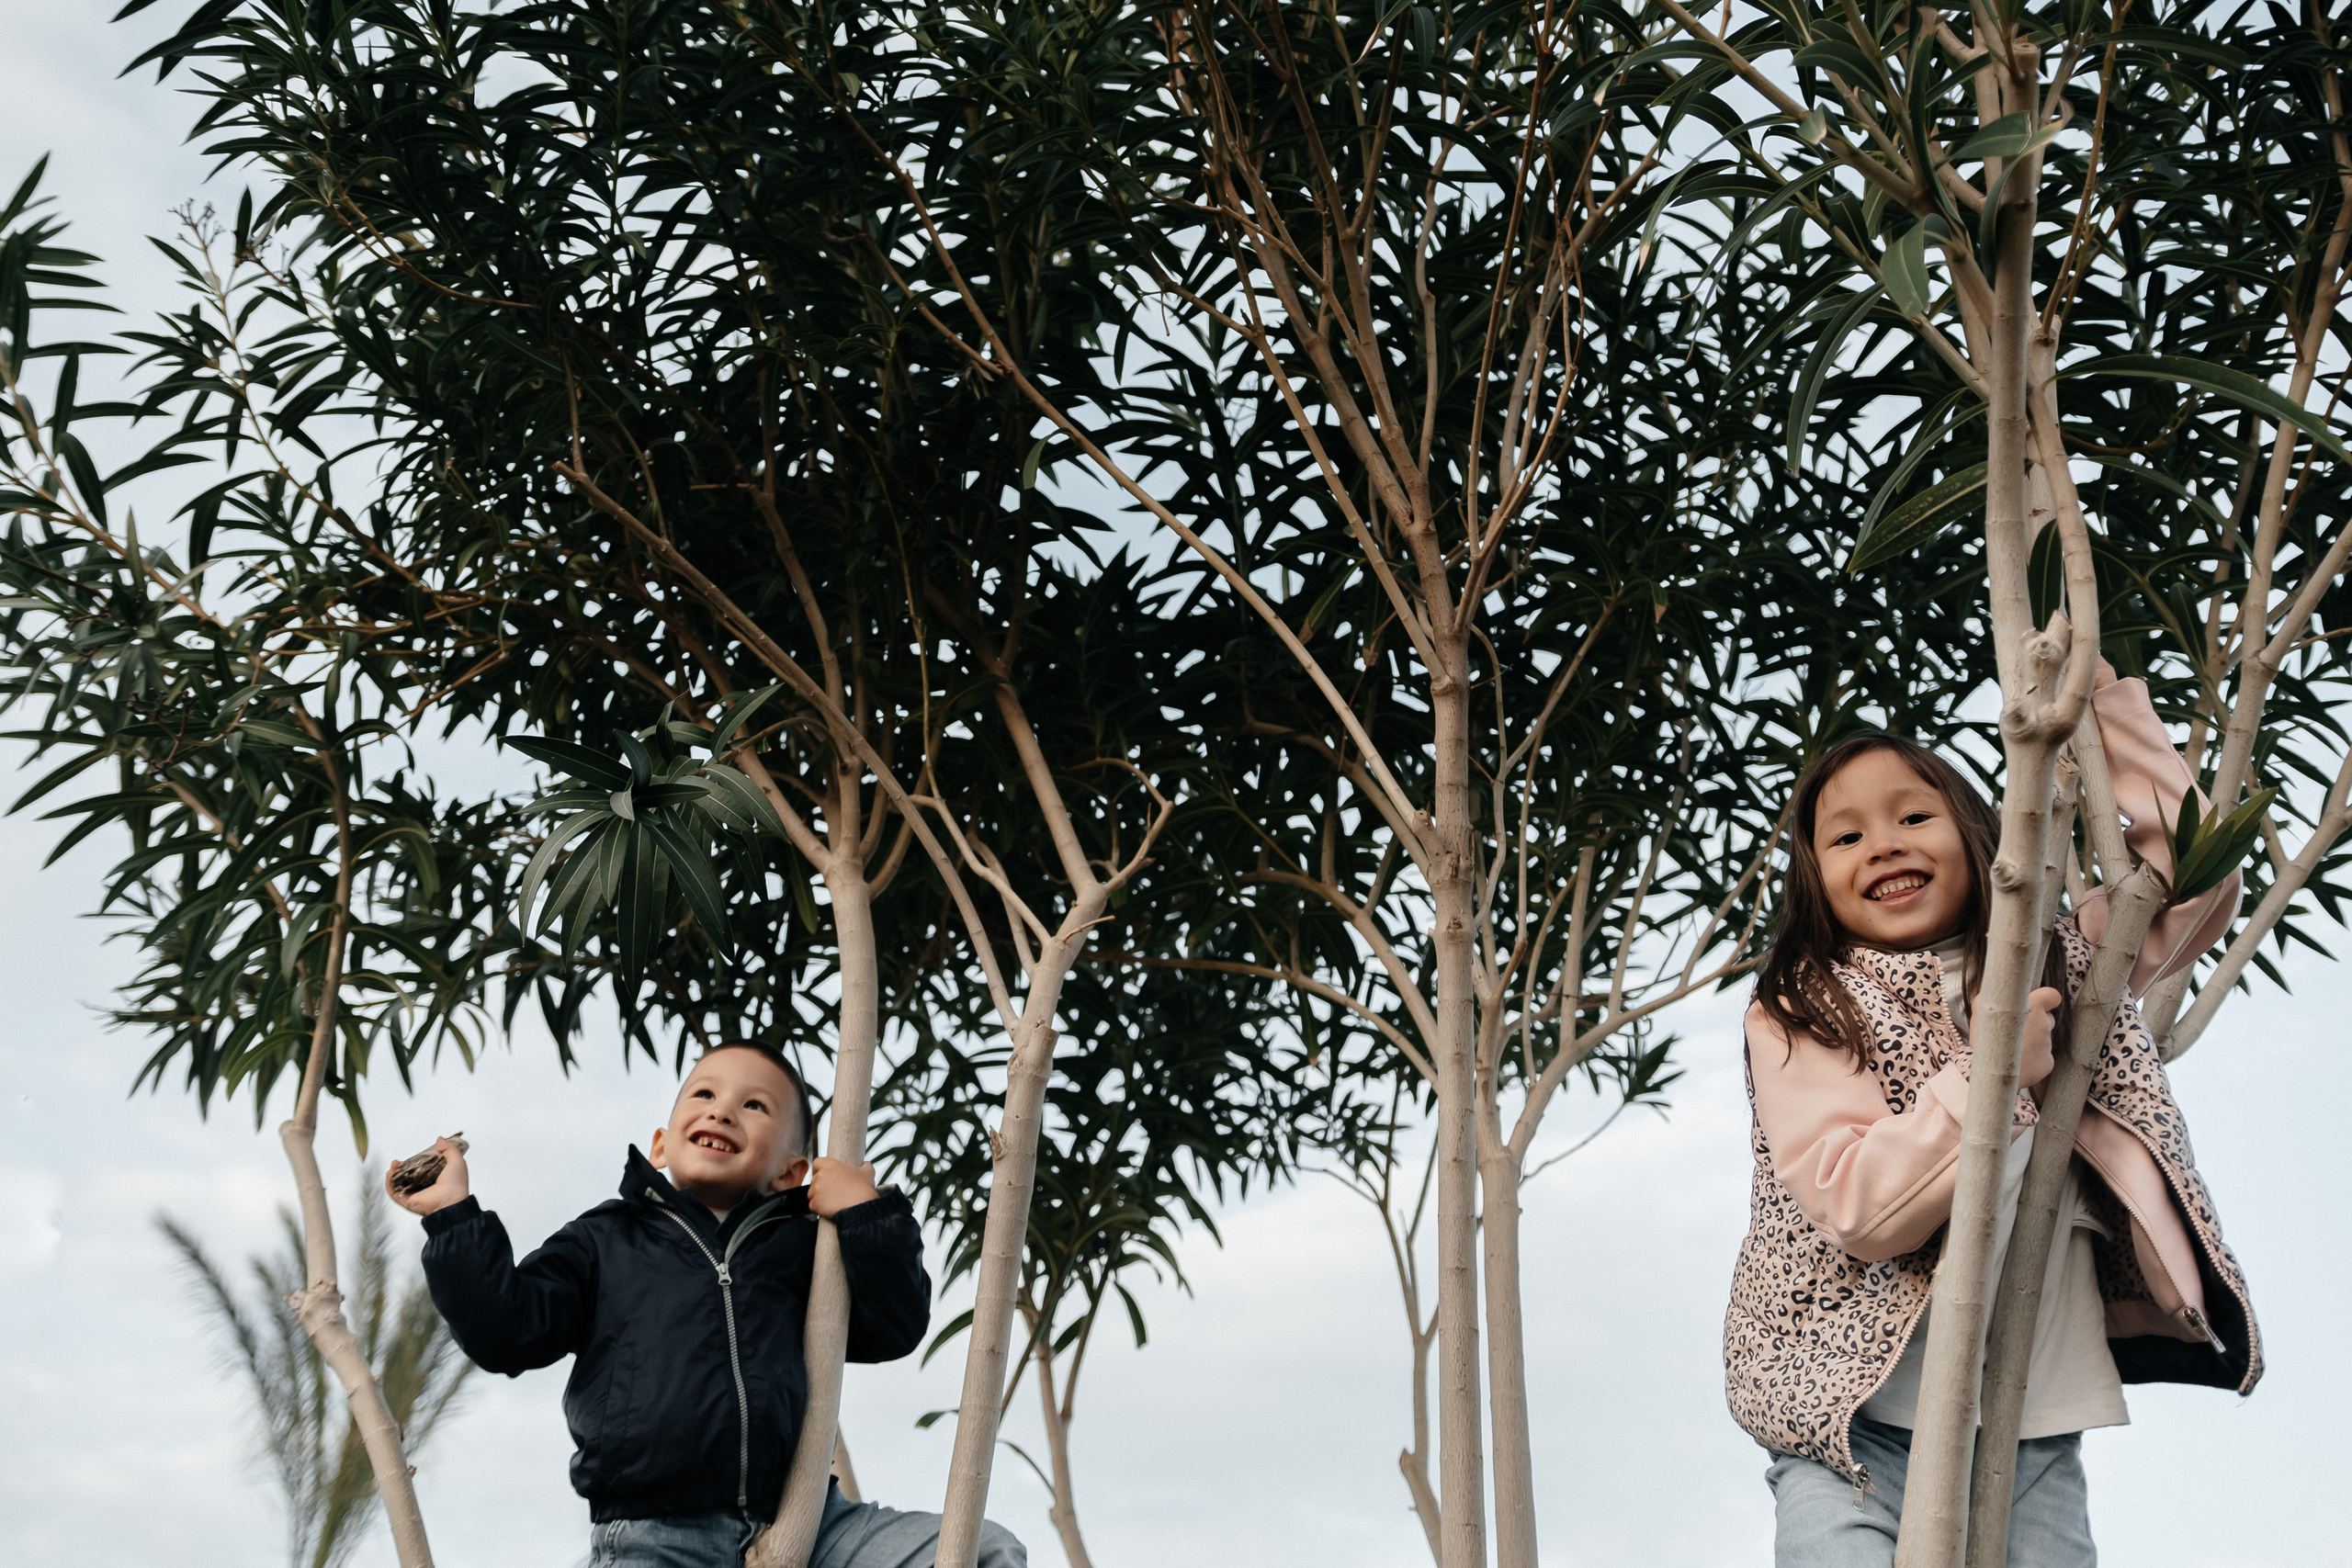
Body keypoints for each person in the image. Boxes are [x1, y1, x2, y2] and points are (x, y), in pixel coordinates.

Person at [1724, 666, 2262, 1566]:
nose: (1883, 844)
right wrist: (1992, 1073)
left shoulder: (2055, 959)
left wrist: (2098, 716)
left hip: (2025, 1412)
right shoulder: (1805, 1006)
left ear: (1985, 839)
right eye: (1846, 835)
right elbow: (1858, 1205)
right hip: (1852, 1422)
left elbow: (2185, 881)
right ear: (1813, 879)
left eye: (1912, 816)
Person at [388, 1040, 1026, 1568]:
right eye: (705, 1094)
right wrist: (453, 1218)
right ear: (661, 1145)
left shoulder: (808, 1248)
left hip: (811, 1520)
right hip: (653, 1534)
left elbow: (892, 1326)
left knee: (987, 1549)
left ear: (790, 1171)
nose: (723, 1111)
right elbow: (509, 1331)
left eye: (754, 1105)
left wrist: (867, 1214)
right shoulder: (605, 1238)